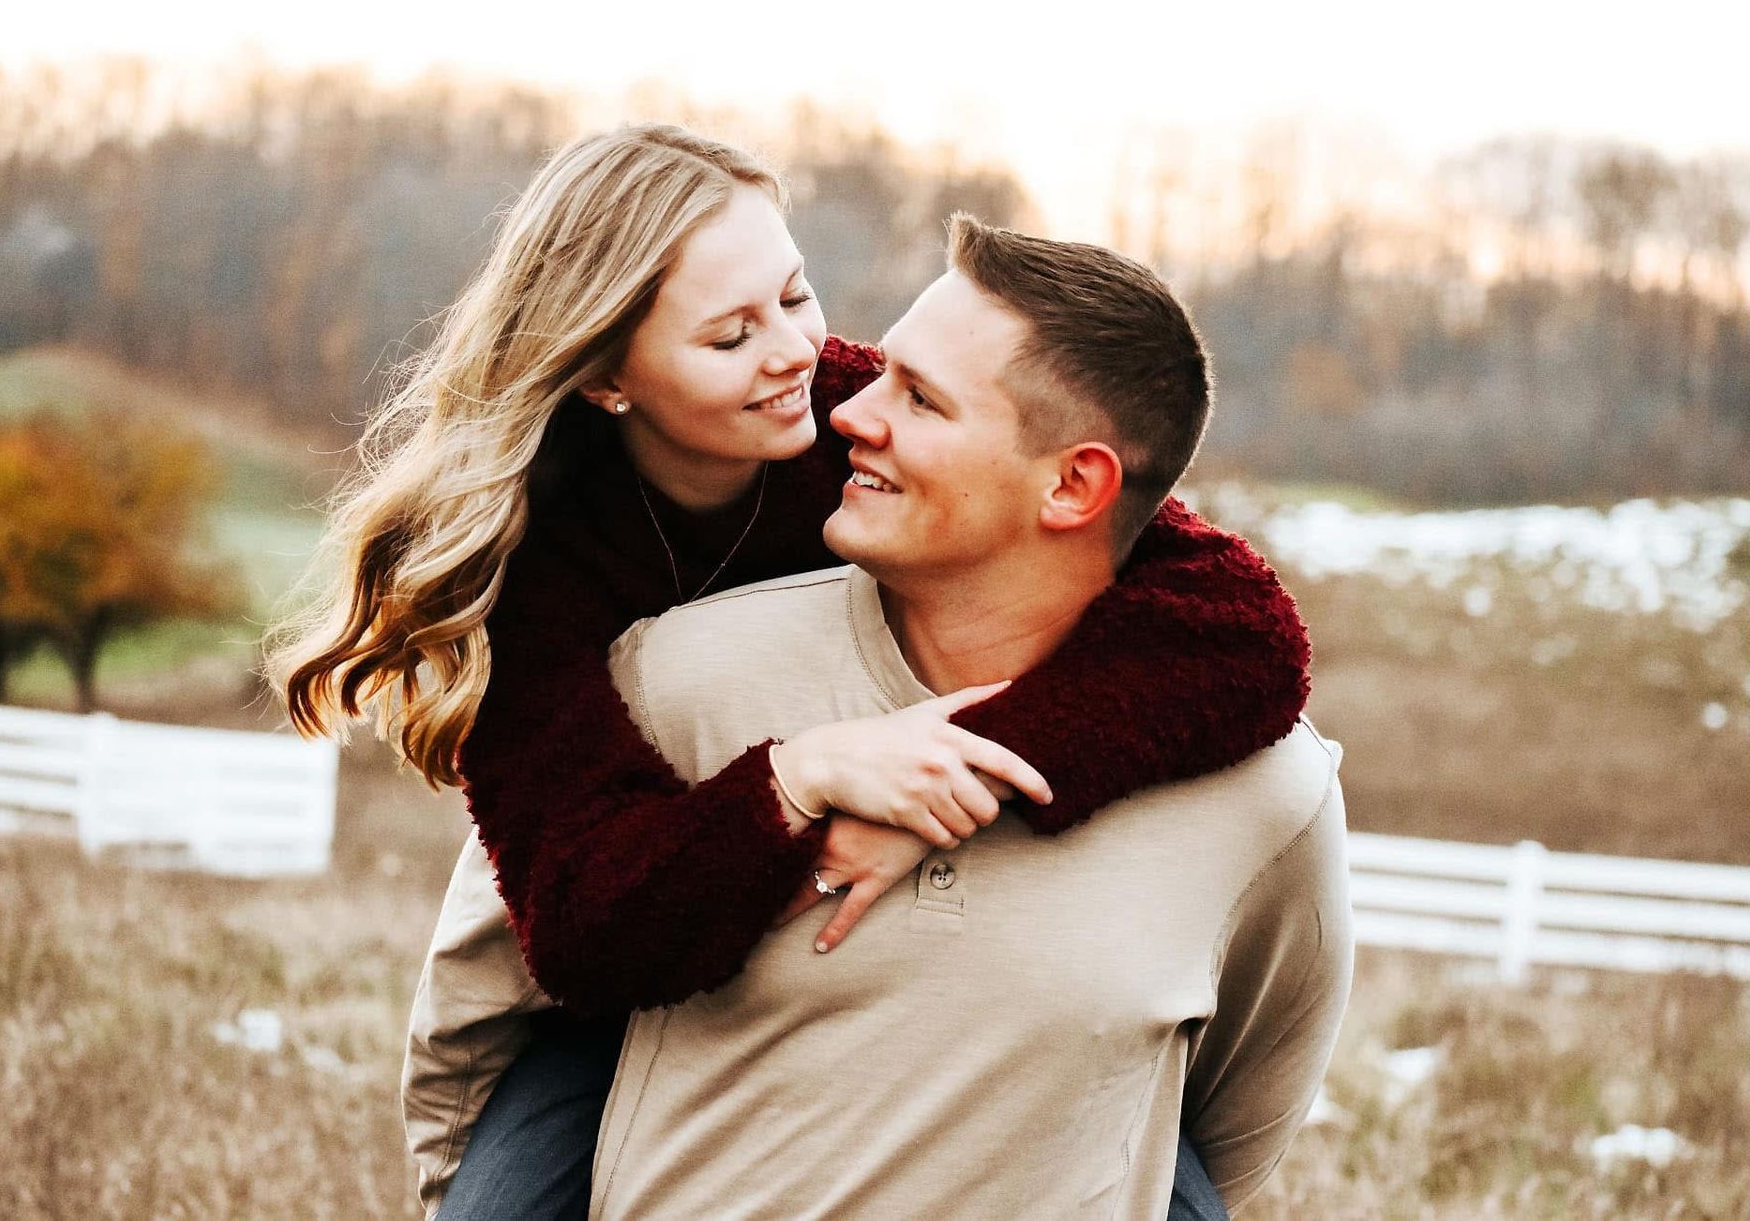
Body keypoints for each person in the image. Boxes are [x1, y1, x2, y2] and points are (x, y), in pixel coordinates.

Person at [270, 125, 1311, 1218]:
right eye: (730, 336)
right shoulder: (534, 565)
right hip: (625, 969)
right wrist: (798, 779)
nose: (795, 352)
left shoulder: (856, 417)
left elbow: (1244, 626)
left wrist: (956, 777)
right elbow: (586, 925)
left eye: (795, 294)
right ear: (608, 376)